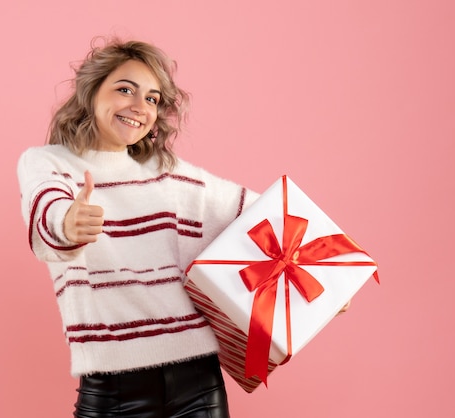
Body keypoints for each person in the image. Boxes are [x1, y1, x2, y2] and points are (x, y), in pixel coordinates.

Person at [18, 38, 348, 417]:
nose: (139, 107)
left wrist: (331, 281)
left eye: (153, 99)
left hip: (198, 386)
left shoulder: (173, 178)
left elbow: (275, 216)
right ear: (92, 92)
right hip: (111, 391)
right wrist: (68, 224)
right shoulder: (48, 163)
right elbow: (47, 215)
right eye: (125, 89)